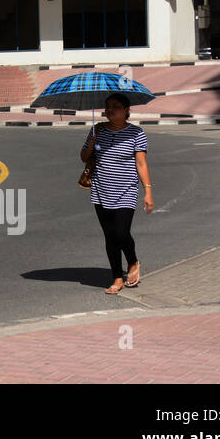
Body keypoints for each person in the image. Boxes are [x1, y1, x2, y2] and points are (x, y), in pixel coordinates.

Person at [79, 92, 154, 295]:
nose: (110, 110)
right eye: (108, 106)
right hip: (101, 190)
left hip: (126, 190)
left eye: (115, 106)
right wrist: (91, 143)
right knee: (110, 236)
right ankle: (117, 277)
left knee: (121, 232)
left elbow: (141, 163)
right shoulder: (97, 130)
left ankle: (132, 261)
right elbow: (83, 157)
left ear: (126, 111)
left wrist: (148, 191)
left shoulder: (136, 133)